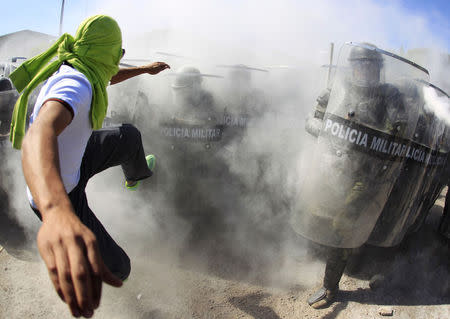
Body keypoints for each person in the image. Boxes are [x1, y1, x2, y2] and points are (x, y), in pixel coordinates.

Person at [8, 15, 169, 318]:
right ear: (104, 53)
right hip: (60, 193)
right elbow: (37, 136)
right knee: (120, 267)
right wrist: (55, 212)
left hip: (76, 162)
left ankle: (134, 176)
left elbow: (108, 76)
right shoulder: (76, 85)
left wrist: (145, 70)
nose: (119, 58)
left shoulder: (82, 66)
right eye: (118, 53)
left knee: (128, 137)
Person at [304, 43, 407, 308]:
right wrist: (327, 133)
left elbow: (399, 133)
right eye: (360, 65)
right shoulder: (338, 89)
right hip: (333, 167)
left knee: (343, 223)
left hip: (366, 174)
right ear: (353, 67)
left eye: (370, 65)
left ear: (378, 69)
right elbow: (311, 120)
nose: (365, 70)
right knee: (318, 213)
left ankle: (329, 286)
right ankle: (340, 255)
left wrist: (390, 137)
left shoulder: (389, 96)